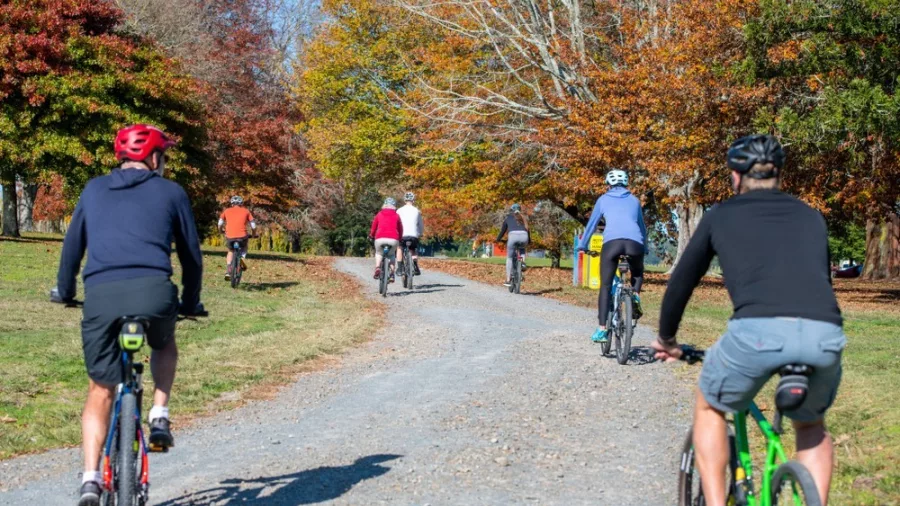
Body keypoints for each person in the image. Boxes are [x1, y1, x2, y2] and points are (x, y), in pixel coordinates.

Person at [652, 134, 845, 505]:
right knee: (811, 424)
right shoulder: (811, 216)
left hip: (757, 332)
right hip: (824, 334)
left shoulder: (720, 216)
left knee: (709, 406)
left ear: (736, 177)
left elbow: (681, 284)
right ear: (779, 175)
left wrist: (668, 339)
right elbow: (821, 278)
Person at [52, 125, 204, 506]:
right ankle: (160, 412)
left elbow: (72, 248)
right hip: (154, 292)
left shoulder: (93, 189)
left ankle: (89, 480)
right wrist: (190, 301)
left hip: (102, 296)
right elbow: (192, 257)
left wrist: (66, 292)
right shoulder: (172, 192)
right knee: (164, 342)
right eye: (163, 157)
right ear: (154, 158)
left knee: (99, 389)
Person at [576, 169, 647, 343]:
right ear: (626, 183)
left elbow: (592, 224)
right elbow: (642, 226)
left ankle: (602, 329)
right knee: (637, 273)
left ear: (608, 184)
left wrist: (583, 245)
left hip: (612, 244)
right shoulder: (635, 200)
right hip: (635, 243)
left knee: (606, 286)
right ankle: (635, 296)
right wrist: (644, 247)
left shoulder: (603, 200)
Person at [218, 195, 257, 280]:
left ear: (232, 204)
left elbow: (220, 223)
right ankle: (242, 257)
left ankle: (228, 270)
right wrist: (253, 235)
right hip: (242, 236)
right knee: (245, 246)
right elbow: (253, 226)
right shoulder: (246, 211)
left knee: (230, 251)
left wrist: (220, 231)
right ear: (241, 203)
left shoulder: (226, 211)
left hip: (230, 236)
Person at [369, 197, 403, 281]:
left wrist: (371, 235)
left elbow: (374, 227)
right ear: (394, 206)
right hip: (393, 239)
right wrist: (400, 238)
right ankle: (391, 274)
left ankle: (377, 268)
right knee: (391, 255)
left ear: (384, 205)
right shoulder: (397, 215)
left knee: (379, 253)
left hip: (380, 238)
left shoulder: (379, 214)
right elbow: (400, 228)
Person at [496, 203, 529, 287]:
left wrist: (498, 239)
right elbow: (528, 230)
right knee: (522, 249)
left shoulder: (508, 218)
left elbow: (502, 231)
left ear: (511, 211)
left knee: (510, 258)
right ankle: (523, 263)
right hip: (524, 236)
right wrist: (529, 241)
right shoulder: (524, 218)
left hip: (512, 237)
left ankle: (508, 279)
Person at [396, 191, 425, 275]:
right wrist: (420, 233)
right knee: (413, 249)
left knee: (399, 248)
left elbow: (396, 223)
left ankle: (400, 268)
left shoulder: (399, 211)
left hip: (402, 235)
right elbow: (420, 225)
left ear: (405, 201)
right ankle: (415, 266)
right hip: (413, 235)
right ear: (413, 200)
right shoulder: (417, 211)